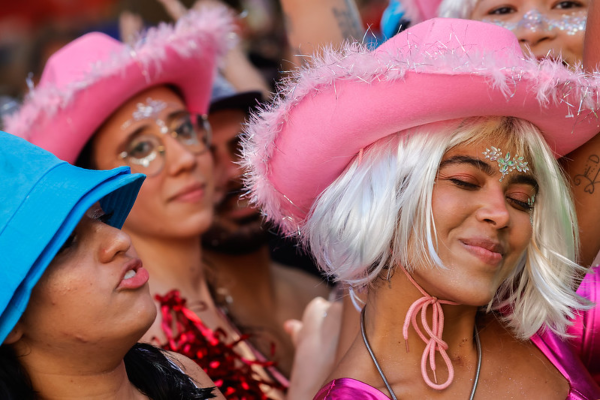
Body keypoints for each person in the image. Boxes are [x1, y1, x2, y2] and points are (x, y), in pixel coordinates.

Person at [242, 17, 600, 398]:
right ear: (381, 194)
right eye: (465, 182)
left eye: (521, 200)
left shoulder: (539, 318)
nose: (500, 213)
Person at [2, 8, 286, 399]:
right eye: (141, 148)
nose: (185, 158)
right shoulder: (127, 324)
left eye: (185, 128)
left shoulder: (177, 367)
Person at [0, 131, 221, 400]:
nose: (119, 238)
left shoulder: (183, 374)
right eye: (67, 242)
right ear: (9, 321)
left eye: (103, 218)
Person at [204, 75, 330, 377]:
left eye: (242, 144)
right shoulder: (186, 321)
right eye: (207, 157)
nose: (233, 171)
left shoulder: (317, 289)